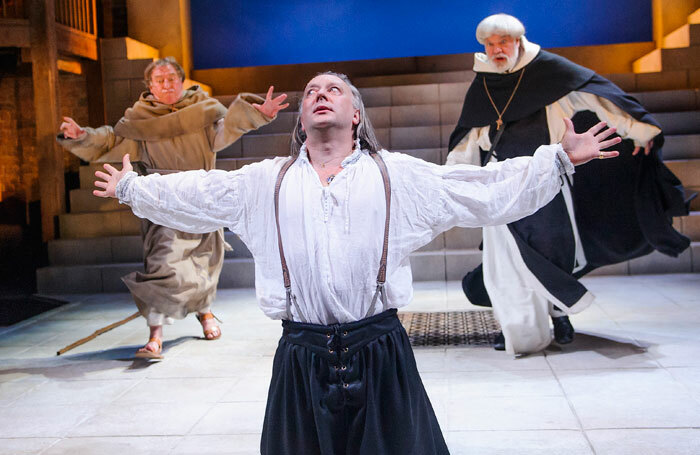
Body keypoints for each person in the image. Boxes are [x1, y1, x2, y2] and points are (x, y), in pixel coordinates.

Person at [92, 71, 619, 454]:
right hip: (301, 354)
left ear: (356, 113)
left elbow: (479, 190)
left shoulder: (397, 176)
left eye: (334, 90)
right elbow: (198, 192)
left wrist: (559, 158)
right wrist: (132, 187)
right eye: (312, 93)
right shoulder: (264, 182)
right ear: (301, 119)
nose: (320, 95)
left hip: (380, 350)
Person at [446, 14, 690, 355]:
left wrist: (640, 130)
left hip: (548, 176)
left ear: (518, 40)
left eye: (503, 42)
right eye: (489, 44)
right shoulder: (484, 83)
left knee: (553, 249)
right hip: (503, 183)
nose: (496, 50)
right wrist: (452, 176)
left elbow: (598, 100)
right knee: (505, 259)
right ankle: (513, 324)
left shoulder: (548, 73)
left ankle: (559, 314)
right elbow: (470, 138)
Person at [57, 57, 289, 359]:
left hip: (203, 196)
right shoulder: (139, 120)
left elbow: (225, 130)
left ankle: (205, 312)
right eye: (159, 80)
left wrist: (256, 114)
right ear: (150, 87)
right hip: (161, 200)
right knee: (163, 264)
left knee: (205, 263)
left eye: (171, 78)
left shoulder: (202, 110)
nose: (166, 84)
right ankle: (155, 334)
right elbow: (110, 141)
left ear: (182, 81)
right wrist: (82, 135)